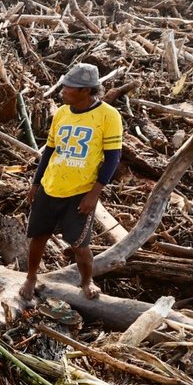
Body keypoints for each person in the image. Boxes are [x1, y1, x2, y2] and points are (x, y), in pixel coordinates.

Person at [19, 62, 124, 306]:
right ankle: (31, 277)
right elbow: (49, 152)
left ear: (87, 91)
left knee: (79, 244)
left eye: (70, 87)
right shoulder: (62, 114)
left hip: (80, 191)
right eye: (64, 85)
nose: (63, 90)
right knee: (38, 236)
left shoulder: (108, 116)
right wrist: (36, 184)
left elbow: (112, 158)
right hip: (50, 186)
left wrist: (93, 194)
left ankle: (87, 281)